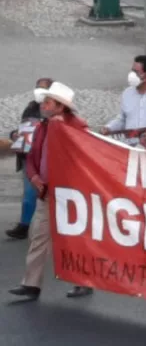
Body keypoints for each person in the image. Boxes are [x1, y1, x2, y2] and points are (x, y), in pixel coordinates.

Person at [9, 82, 93, 301]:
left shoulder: (78, 127)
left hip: (71, 194)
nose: (43, 105)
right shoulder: (42, 127)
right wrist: (35, 177)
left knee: (75, 238)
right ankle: (31, 284)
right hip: (46, 191)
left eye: (48, 102)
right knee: (38, 236)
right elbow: (31, 156)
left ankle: (83, 282)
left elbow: (84, 159)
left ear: (60, 106)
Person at [6, 78, 52, 241]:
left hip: (47, 158)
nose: (38, 91)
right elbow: (23, 128)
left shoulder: (54, 109)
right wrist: (14, 135)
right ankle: (24, 226)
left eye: (43, 89)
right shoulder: (31, 107)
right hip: (28, 156)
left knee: (47, 194)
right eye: (37, 88)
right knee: (29, 193)